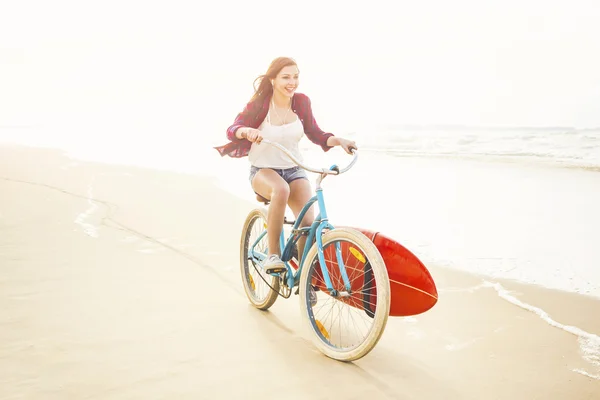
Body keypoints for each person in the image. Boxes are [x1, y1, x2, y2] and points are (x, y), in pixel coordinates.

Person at [214, 56, 357, 274]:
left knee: (309, 223)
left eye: (296, 77)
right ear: (272, 80)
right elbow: (233, 128)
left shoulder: (301, 102)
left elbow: (316, 134)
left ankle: (304, 277)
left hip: (294, 169)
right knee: (281, 189)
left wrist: (338, 140)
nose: (292, 82)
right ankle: (273, 255)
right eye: (286, 77)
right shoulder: (260, 104)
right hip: (263, 170)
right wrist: (247, 131)